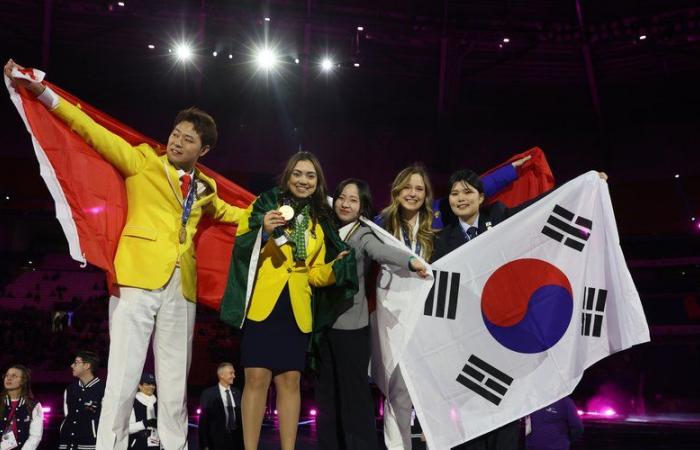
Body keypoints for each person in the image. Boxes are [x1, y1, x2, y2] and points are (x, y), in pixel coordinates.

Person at [5, 59, 248, 450]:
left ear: (203, 149)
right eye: (175, 133)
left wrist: (282, 212)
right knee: (122, 373)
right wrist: (42, 92)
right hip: (137, 278)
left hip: (181, 286)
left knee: (173, 380)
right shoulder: (143, 162)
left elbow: (236, 215)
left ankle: (174, 445)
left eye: (188, 139)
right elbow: (91, 130)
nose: (177, 141)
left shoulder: (206, 189)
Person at [434, 169, 606, 449]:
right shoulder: (441, 242)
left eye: (467, 192)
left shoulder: (499, 216)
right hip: (468, 338)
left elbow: (541, 206)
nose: (460, 198)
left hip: (507, 330)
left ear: (481, 196)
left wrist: (582, 183)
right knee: (474, 407)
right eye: (454, 193)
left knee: (506, 406)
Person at [220, 151, 357, 450]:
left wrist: (336, 269)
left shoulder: (321, 220)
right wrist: (264, 231)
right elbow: (242, 240)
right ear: (288, 176)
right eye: (298, 174)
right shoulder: (267, 204)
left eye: (310, 175)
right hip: (263, 303)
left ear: (318, 182)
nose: (303, 180)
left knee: (290, 382)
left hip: (297, 308)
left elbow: (315, 274)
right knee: (256, 378)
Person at [316, 178, 428, 450]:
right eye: (342, 197)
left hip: (352, 329)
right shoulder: (326, 228)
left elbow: (382, 251)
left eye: (353, 200)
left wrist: (412, 261)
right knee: (327, 399)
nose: (345, 203)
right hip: (323, 327)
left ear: (362, 206)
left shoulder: (362, 234)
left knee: (355, 399)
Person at [60, 350, 105, 450]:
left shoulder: (103, 389)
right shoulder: (70, 389)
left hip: (90, 444)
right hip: (67, 443)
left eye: (76, 363)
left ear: (87, 365)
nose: (72, 365)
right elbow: (67, 416)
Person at [198, 363, 243, 450]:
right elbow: (203, 423)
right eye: (231, 373)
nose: (234, 376)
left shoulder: (237, 393)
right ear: (221, 375)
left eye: (234, 373)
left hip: (236, 443)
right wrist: (205, 445)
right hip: (216, 443)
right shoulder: (208, 394)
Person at [0, 365, 43, 450]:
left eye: (14, 376)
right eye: (7, 375)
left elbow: (35, 436)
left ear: (23, 381)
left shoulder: (34, 405)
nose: (8, 378)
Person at [127, 374, 159, 450]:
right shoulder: (133, 402)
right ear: (140, 386)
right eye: (147, 384)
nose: (151, 386)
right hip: (138, 444)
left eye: (153, 384)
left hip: (155, 444)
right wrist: (145, 423)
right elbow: (127, 429)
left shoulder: (158, 402)